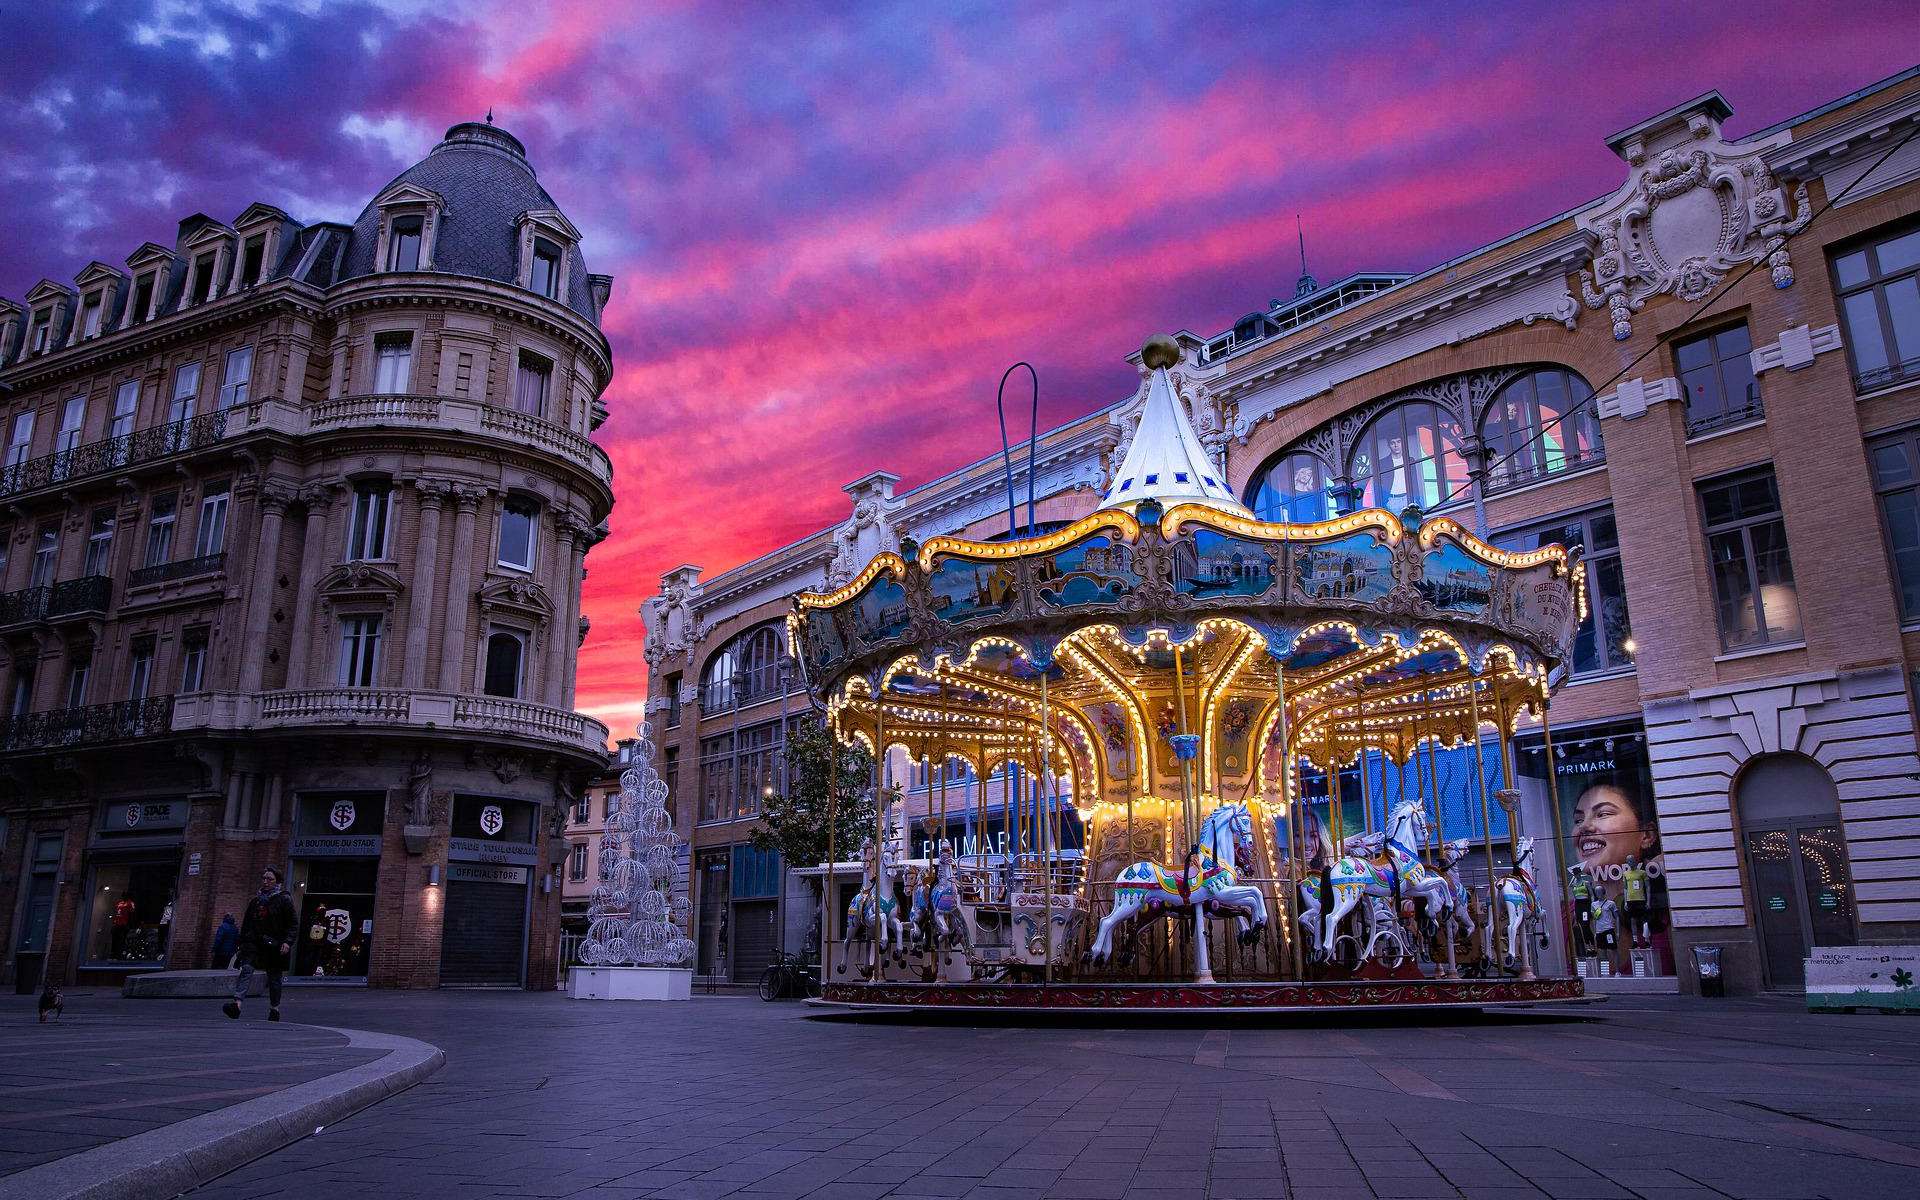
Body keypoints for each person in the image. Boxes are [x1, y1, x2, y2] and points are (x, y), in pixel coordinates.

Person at [224, 867, 296, 1022]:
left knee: (274, 979)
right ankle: (237, 1004)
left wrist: (287, 942)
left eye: (269, 879)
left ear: (278, 881)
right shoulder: (256, 901)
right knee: (247, 969)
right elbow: (247, 923)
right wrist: (242, 943)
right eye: (264, 878)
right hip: (254, 943)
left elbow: (292, 924)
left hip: (274, 944)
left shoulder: (284, 899)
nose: (265, 882)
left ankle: (274, 1009)